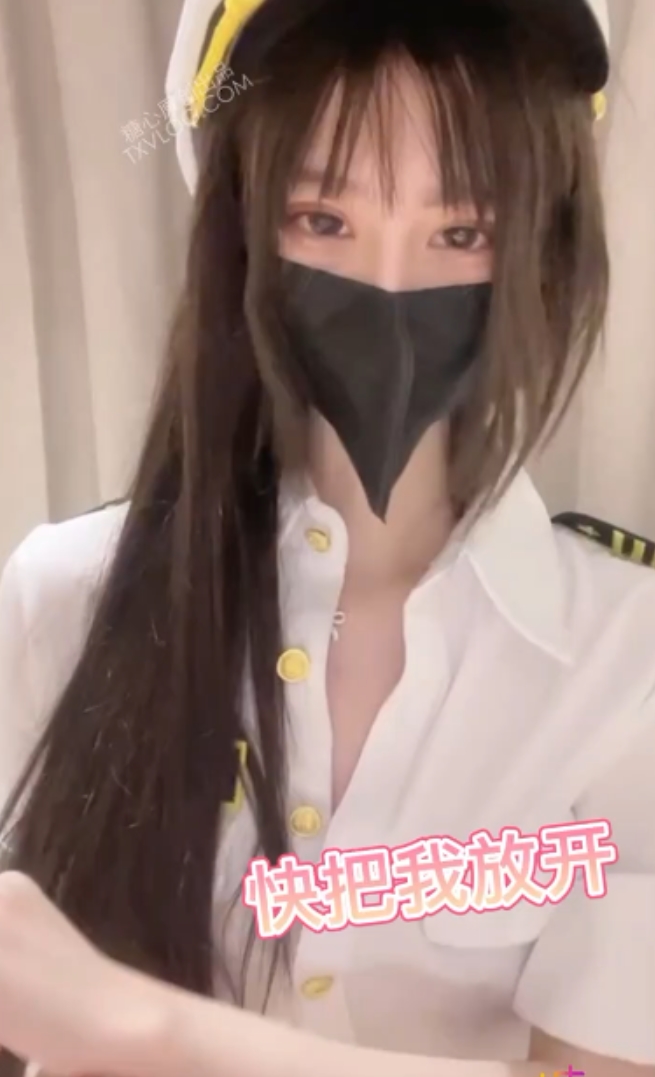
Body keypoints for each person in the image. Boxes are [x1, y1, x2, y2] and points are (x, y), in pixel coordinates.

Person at [0, 0, 653, 1075]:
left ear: (540, 248)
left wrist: (146, 1030)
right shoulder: (66, 598)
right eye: (323, 218)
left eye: (461, 232)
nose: (391, 290)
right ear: (244, 231)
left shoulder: (627, 655)